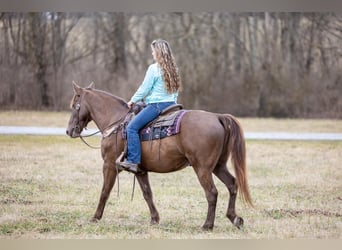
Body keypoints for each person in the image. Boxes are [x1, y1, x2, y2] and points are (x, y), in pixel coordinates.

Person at [118, 39, 182, 174]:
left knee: (131, 128)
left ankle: (133, 161)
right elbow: (175, 91)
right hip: (171, 105)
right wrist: (174, 104)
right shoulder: (174, 69)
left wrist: (132, 101)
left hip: (157, 106)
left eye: (153, 51)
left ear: (158, 53)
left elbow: (144, 88)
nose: (152, 54)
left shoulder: (154, 68)